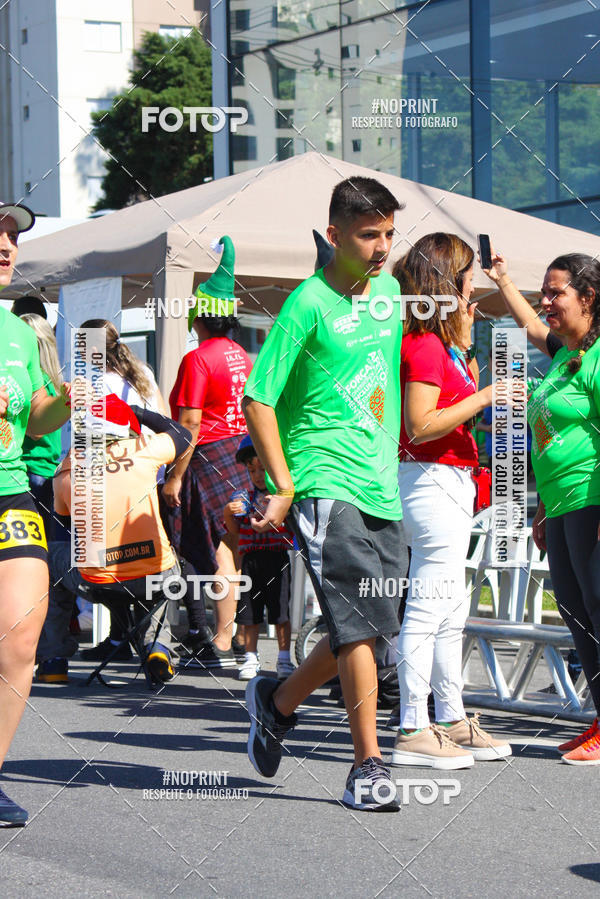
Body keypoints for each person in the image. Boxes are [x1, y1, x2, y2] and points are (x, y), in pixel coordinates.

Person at [242, 177, 409, 812]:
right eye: (370, 235)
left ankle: (277, 701)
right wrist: (282, 484)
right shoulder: (306, 304)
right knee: (360, 628)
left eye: (390, 234)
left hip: (380, 484)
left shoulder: (392, 293)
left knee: (365, 627)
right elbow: (258, 398)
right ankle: (368, 765)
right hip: (322, 478)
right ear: (334, 236)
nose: (382, 248)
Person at [391, 233, 512, 768]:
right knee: (428, 605)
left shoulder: (440, 346)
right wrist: (487, 395)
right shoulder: (420, 345)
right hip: (429, 479)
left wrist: (466, 353)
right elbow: (419, 426)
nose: (474, 292)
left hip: (447, 480)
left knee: (448, 607)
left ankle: (450, 716)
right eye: (468, 281)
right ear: (447, 282)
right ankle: (413, 724)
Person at [483, 247, 600, 764]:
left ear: (589, 297)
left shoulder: (597, 359)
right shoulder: (563, 355)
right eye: (545, 293)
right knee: (578, 616)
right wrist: (503, 280)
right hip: (561, 505)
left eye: (558, 293)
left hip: (592, 502)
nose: (547, 302)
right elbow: (531, 326)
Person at [0, 202, 72, 825]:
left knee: (22, 632)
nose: (6, 246)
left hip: (10, 491)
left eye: (12, 236)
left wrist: (70, 397)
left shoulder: (20, 334)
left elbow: (36, 416)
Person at [46, 395, 191, 683]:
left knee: (51, 559)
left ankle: (53, 660)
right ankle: (157, 646)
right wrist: (136, 410)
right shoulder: (143, 449)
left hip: (96, 582)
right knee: (163, 568)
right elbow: (182, 434)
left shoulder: (68, 468)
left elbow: (64, 524)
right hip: (153, 576)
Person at [163, 236, 252, 670]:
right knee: (231, 548)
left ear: (201, 314)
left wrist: (175, 476)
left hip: (209, 455)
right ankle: (229, 635)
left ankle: (216, 641)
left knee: (213, 549)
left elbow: (190, 424)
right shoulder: (241, 355)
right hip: (240, 454)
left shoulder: (199, 358)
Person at [223, 435, 295, 681]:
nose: (256, 475)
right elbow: (234, 530)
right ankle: (250, 657)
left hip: (278, 559)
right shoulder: (242, 498)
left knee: (280, 612)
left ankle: (284, 659)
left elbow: (293, 529)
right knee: (249, 613)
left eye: (263, 469)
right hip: (251, 561)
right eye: (252, 470)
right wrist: (227, 513)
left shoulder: (283, 497)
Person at [20, 314, 64, 539]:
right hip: (45, 473)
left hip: (31, 473)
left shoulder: (37, 382)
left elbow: (36, 430)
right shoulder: (51, 380)